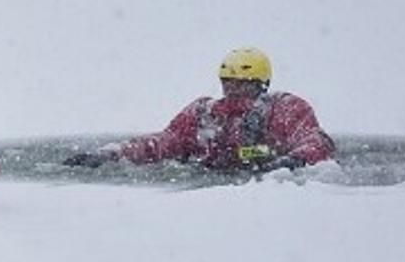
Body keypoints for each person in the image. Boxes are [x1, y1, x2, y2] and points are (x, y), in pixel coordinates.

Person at [63, 47, 334, 172]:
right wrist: (113, 154)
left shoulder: (285, 109)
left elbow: (315, 142)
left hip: (267, 191)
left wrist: (291, 161)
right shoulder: (204, 115)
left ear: (261, 85)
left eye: (243, 85)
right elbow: (163, 143)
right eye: (228, 83)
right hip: (215, 187)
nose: (234, 91)